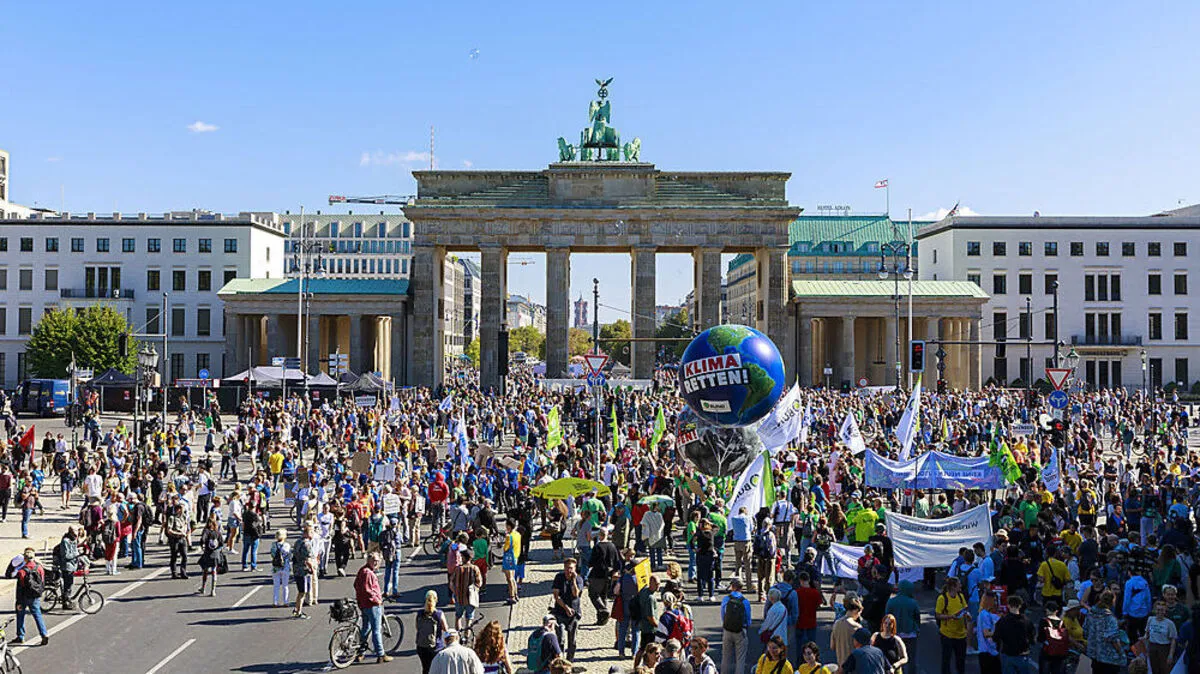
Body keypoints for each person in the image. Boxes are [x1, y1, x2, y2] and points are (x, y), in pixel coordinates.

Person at [354, 552, 393, 664]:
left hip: (363, 604)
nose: (376, 563)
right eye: (374, 560)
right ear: (368, 560)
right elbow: (368, 590)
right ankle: (381, 654)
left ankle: (361, 652)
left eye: (377, 560)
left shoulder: (362, 570)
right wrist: (378, 600)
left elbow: (356, 585)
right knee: (376, 630)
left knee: (365, 628)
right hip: (372, 605)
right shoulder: (368, 573)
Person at [12, 548, 49, 646]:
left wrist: (18, 601)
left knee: (20, 616)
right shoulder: (40, 568)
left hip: (24, 596)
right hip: (35, 596)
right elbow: (42, 582)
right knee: (37, 615)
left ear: (25, 559)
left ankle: (21, 636)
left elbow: (20, 587)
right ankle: (44, 633)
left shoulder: (22, 571)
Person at [1083, 591, 1126, 674]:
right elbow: (1113, 639)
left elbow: (1085, 632)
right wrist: (1121, 654)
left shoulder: (1090, 614)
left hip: (1094, 656)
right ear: (1112, 602)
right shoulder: (1110, 618)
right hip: (1109, 659)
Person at [993, 595, 1036, 674]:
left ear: (1008, 606)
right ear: (1020, 605)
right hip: (1022, 654)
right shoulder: (1027, 622)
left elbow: (995, 638)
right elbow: (1032, 639)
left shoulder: (1002, 621)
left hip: (1007, 654)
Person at [935, 577, 970, 674]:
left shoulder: (961, 596)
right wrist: (950, 617)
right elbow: (938, 615)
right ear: (953, 586)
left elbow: (965, 609)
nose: (961, 586)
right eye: (959, 584)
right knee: (946, 660)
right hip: (947, 635)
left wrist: (967, 616)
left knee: (961, 660)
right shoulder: (942, 598)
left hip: (961, 634)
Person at [885, 580, 920, 674]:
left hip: (895, 634)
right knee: (911, 658)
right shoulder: (913, 602)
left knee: (897, 658)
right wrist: (917, 630)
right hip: (911, 634)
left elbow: (887, 616)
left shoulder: (891, 602)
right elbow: (917, 618)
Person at [551, 557, 583, 661]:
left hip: (574, 615)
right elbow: (556, 596)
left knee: (572, 641)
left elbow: (576, 594)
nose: (568, 570)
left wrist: (573, 580)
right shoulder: (559, 577)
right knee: (560, 639)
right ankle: (560, 661)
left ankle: (569, 662)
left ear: (575, 568)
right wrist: (566, 608)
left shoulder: (578, 579)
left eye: (571, 568)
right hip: (560, 613)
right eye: (566, 568)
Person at [588, 526, 620, 624]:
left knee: (593, 594)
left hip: (597, 574)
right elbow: (617, 562)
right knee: (603, 596)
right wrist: (615, 571)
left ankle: (603, 610)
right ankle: (602, 620)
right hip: (609, 575)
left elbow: (592, 561)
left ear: (600, 535)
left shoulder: (597, 547)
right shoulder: (612, 546)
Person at [721, 578, 753, 674]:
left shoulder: (726, 599)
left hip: (727, 629)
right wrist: (746, 626)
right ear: (741, 588)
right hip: (740, 630)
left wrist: (725, 624)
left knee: (726, 657)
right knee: (740, 658)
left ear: (732, 587)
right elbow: (748, 619)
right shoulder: (745, 601)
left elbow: (723, 614)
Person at [416, 590, 450, 674]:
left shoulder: (420, 613)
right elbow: (446, 629)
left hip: (421, 646)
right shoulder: (439, 614)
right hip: (436, 647)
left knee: (426, 668)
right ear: (436, 599)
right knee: (437, 669)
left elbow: (417, 628)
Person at [452, 548, 482, 632]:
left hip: (459, 597)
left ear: (465, 558)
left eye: (461, 557)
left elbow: (451, 582)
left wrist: (455, 591)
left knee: (458, 617)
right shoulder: (475, 568)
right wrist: (474, 590)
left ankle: (458, 634)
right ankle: (466, 635)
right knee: (469, 618)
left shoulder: (458, 569)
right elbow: (479, 583)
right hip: (470, 598)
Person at [1144, 600, 1178, 674]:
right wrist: (1146, 649)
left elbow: (1173, 640)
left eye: (1162, 610)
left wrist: (1171, 654)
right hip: (1152, 647)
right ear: (1155, 610)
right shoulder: (1150, 619)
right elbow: (1147, 635)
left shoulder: (1169, 623)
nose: (1160, 612)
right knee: (1153, 669)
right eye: (1158, 610)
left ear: (1165, 611)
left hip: (1164, 648)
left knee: (1164, 669)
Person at [832, 594, 865, 666]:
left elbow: (832, 646)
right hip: (854, 665)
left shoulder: (836, 624)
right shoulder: (857, 627)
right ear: (856, 610)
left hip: (841, 664)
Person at [291, 525, 316, 619]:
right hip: (303, 570)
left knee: (301, 591)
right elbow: (308, 559)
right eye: (311, 532)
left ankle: (297, 608)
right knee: (303, 591)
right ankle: (299, 611)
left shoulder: (298, 541)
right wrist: (313, 570)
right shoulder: (307, 544)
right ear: (306, 533)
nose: (313, 534)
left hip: (296, 568)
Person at [976, 594, 1001, 674]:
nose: (996, 603)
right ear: (989, 601)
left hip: (987, 652)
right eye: (994, 600)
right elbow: (986, 633)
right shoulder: (985, 615)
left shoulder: (984, 614)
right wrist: (999, 633)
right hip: (988, 653)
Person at [197, 515, 222, 597]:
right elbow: (221, 543)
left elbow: (202, 540)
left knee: (205, 570)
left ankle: (203, 588)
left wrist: (202, 547)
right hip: (215, 554)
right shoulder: (217, 532)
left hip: (208, 553)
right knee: (214, 571)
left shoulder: (206, 531)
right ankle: (213, 590)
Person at [270, 529, 292, 607]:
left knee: (276, 585)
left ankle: (275, 601)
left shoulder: (273, 545)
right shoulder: (287, 545)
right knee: (285, 585)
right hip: (285, 567)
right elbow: (289, 556)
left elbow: (272, 555)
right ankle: (286, 601)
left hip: (275, 567)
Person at [502, 518, 521, 605]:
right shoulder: (518, 534)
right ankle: (515, 594)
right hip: (515, 556)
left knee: (509, 578)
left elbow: (505, 548)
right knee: (513, 578)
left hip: (508, 557)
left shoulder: (509, 536)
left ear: (509, 526)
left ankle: (512, 596)